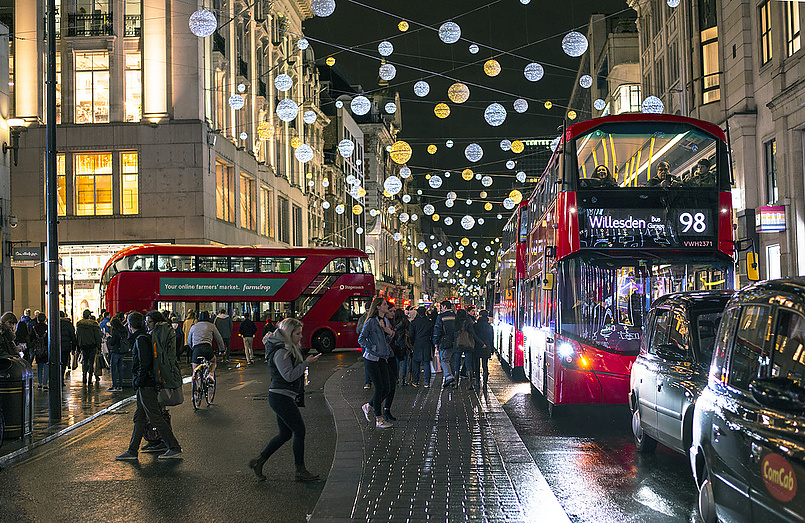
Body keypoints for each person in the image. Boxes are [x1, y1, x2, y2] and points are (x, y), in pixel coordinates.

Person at [249, 318, 321, 482]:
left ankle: (259, 462)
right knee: (299, 430)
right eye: (297, 333)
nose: (300, 336)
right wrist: (306, 364)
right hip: (280, 396)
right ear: (289, 334)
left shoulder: (287, 348)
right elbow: (288, 375)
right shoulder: (282, 351)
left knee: (285, 434)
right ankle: (300, 470)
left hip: (282, 395)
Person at [115, 311, 182, 461]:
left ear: (130, 324)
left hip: (146, 384)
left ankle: (174, 447)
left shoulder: (140, 339)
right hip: (144, 384)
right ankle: (132, 450)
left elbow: (144, 363)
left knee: (155, 417)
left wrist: (139, 380)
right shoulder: (143, 337)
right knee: (139, 417)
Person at [358, 297, 395, 429]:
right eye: (384, 304)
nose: (387, 306)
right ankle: (379, 419)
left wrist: (389, 333)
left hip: (383, 358)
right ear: (378, 307)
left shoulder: (385, 321)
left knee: (387, 387)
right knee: (379, 387)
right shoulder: (371, 322)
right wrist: (372, 347)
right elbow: (361, 339)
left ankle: (369, 405)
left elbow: (386, 341)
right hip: (371, 358)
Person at [186, 310, 225, 381]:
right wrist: (222, 350)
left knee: (194, 370)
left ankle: (194, 383)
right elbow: (219, 338)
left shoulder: (194, 326)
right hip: (207, 348)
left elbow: (189, 340)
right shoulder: (211, 326)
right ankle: (210, 374)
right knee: (213, 361)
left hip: (196, 349)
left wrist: (193, 348)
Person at [453, 309, 481, 390]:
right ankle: (470, 384)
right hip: (468, 344)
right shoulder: (468, 321)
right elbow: (472, 333)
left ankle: (456, 384)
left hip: (458, 345)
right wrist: (480, 342)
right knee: (468, 364)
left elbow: (453, 333)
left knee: (457, 364)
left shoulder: (456, 322)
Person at [433, 300, 457, 389]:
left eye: (441, 307)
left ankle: (449, 377)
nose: (441, 309)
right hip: (455, 341)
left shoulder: (441, 317)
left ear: (445, 307)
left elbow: (437, 330)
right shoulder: (455, 316)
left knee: (444, 360)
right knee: (452, 360)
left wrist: (436, 342)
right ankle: (453, 379)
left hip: (445, 341)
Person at [76, 309, 103, 387]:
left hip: (83, 345)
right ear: (89, 316)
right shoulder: (94, 325)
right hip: (92, 345)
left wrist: (77, 346)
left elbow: (77, 336)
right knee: (91, 362)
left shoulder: (79, 325)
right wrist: (99, 346)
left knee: (84, 361)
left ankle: (84, 377)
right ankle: (90, 379)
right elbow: (97, 336)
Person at [408, 306, 433, 387]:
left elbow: (411, 335)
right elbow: (432, 334)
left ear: (417, 313)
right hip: (426, 343)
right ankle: (427, 382)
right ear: (425, 312)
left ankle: (416, 381)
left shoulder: (414, 322)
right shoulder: (429, 322)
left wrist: (412, 343)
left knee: (416, 363)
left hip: (417, 343)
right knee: (426, 362)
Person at [106, 316, 129, 392]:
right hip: (122, 351)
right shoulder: (124, 330)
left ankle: (114, 386)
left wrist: (109, 337)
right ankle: (120, 386)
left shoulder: (115, 331)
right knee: (120, 369)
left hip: (115, 351)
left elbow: (112, 342)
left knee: (113, 369)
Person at [474, 310, 495, 390]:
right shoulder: (490, 326)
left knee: (477, 365)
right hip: (487, 346)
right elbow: (491, 339)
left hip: (477, 346)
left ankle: (477, 381)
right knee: (485, 365)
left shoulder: (476, 326)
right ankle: (485, 383)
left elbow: (474, 336)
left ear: (480, 316)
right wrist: (492, 349)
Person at [30, 313, 48, 390]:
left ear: (37, 319)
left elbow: (31, 338)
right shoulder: (48, 328)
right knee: (46, 366)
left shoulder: (34, 328)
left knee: (39, 367)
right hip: (46, 349)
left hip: (38, 350)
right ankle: (45, 384)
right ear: (45, 319)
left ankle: (39, 384)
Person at [59, 312, 77, 383]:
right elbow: (72, 336)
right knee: (64, 362)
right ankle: (62, 378)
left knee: (56, 363)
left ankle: (57, 378)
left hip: (56, 347)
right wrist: (74, 348)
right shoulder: (68, 324)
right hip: (66, 347)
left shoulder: (54, 323)